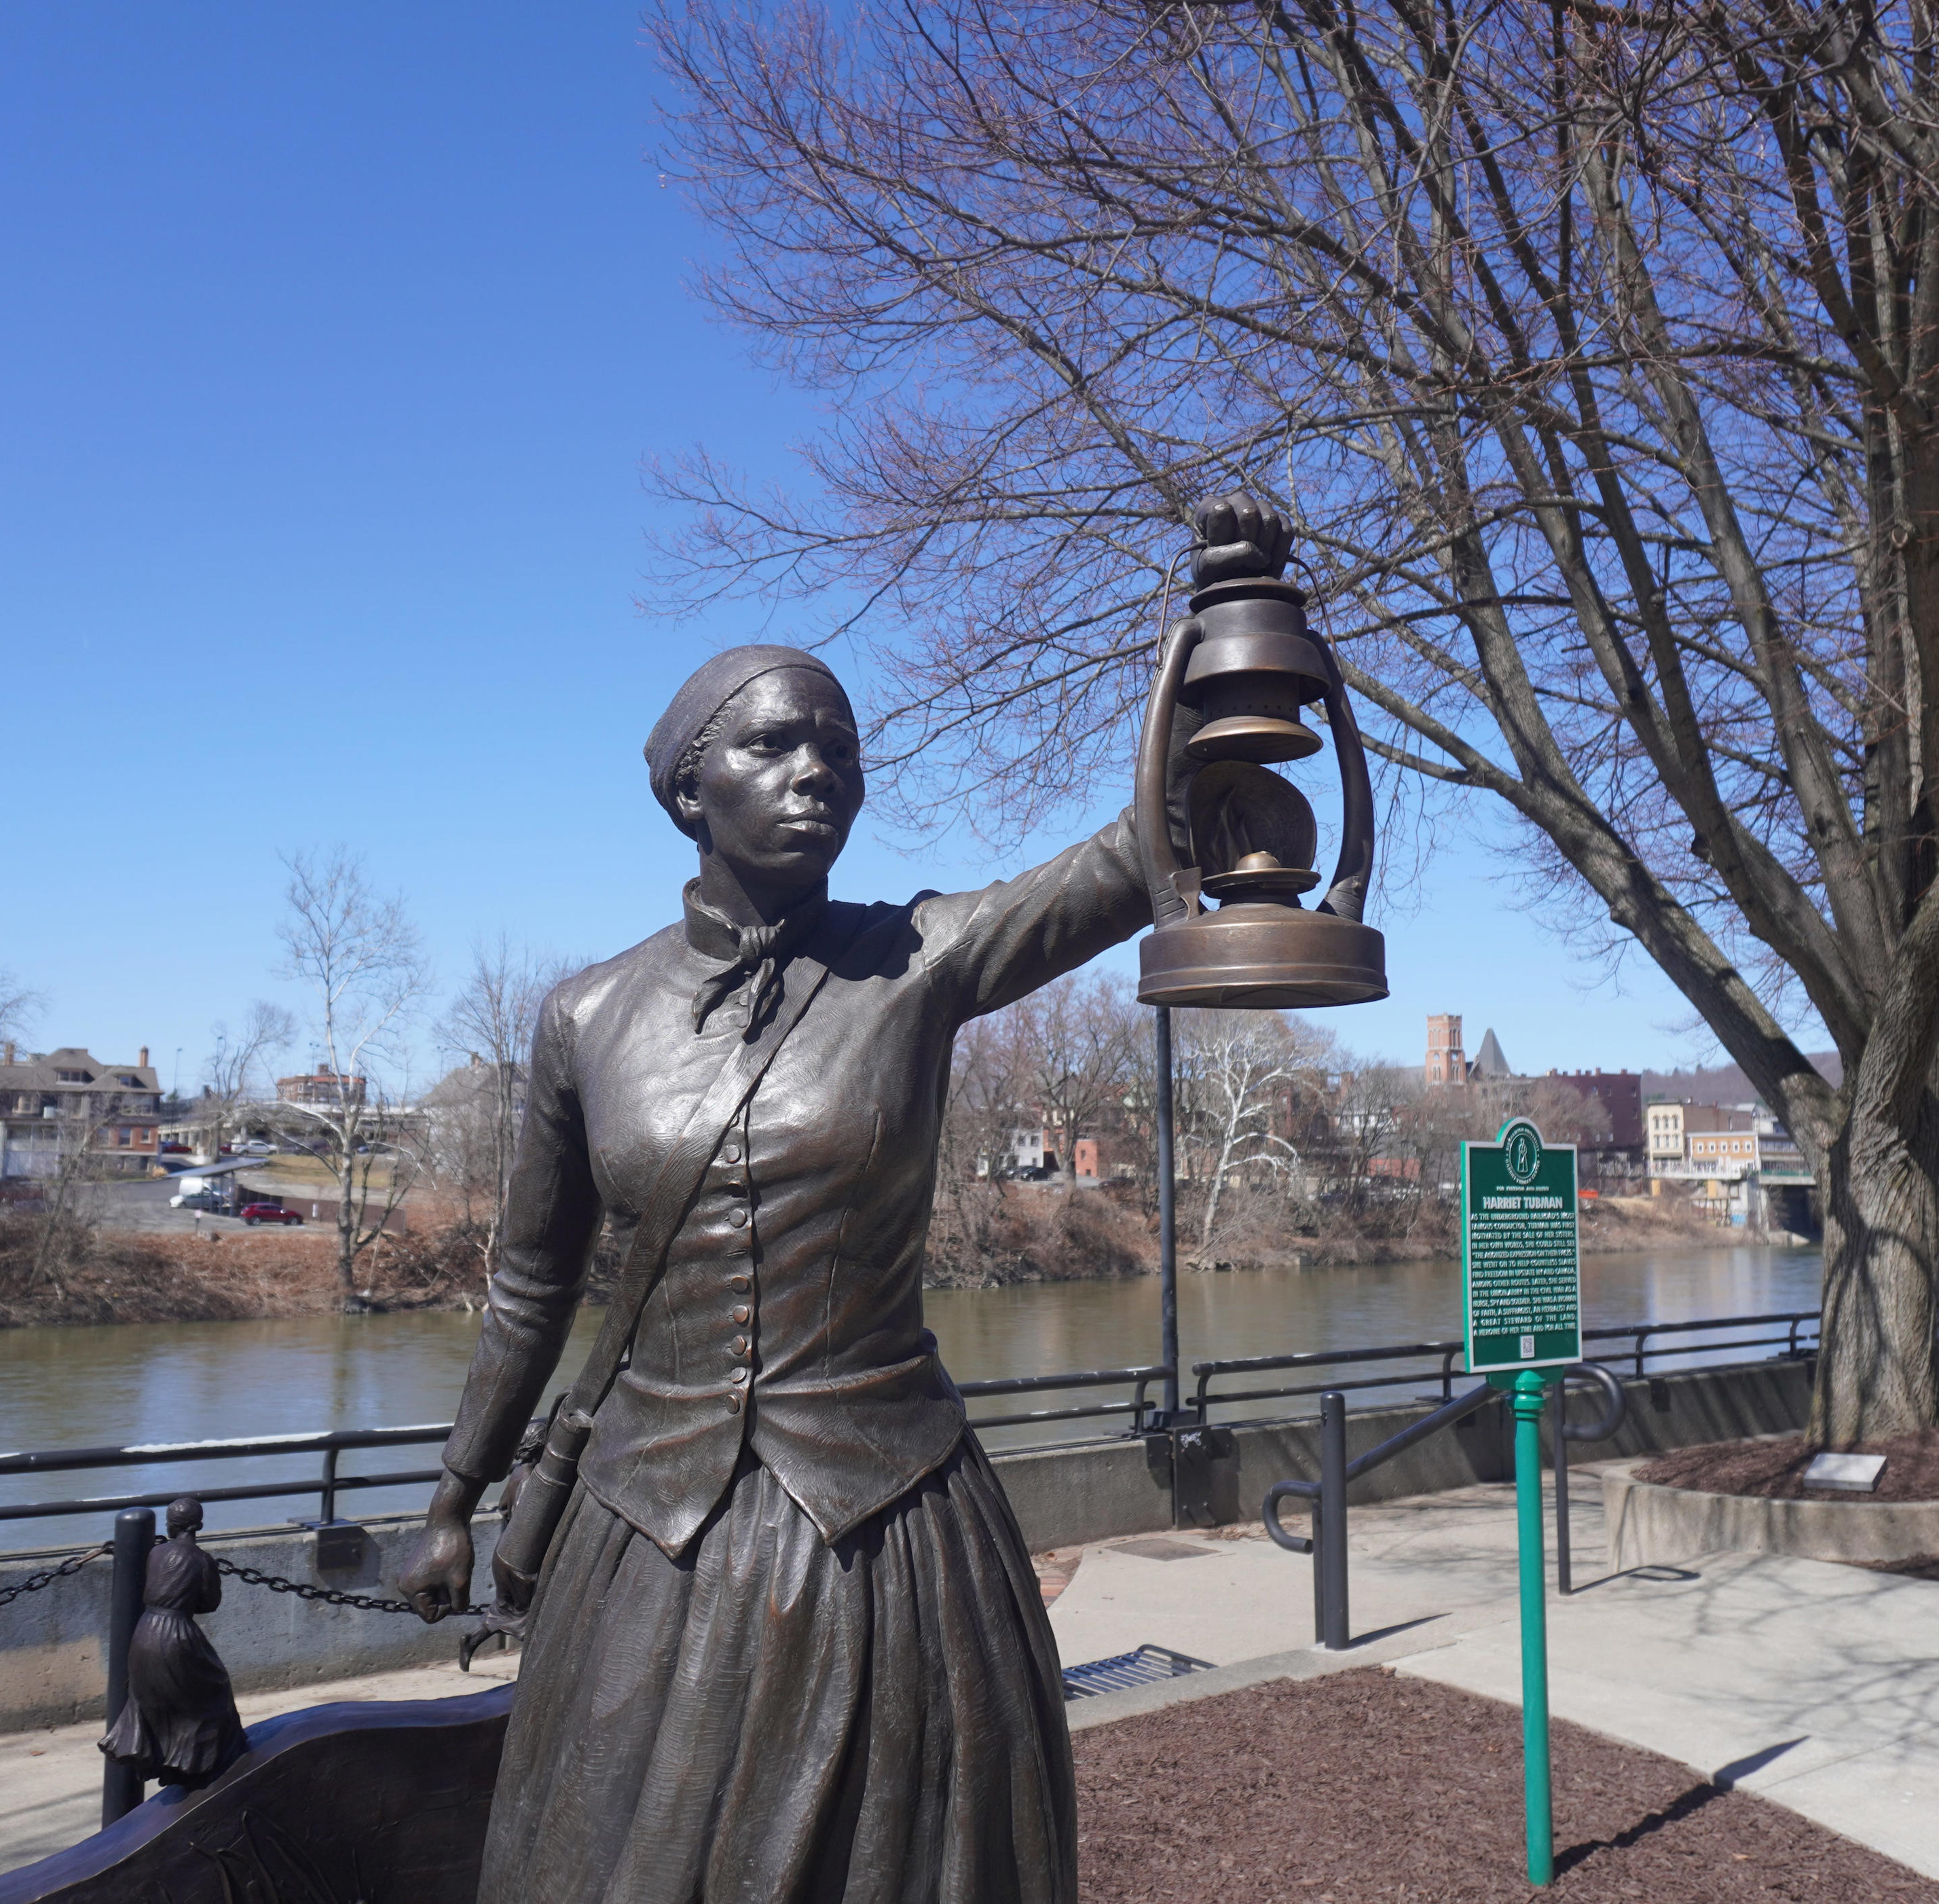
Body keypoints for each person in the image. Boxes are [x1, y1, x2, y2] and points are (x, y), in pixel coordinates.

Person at [394, 644, 1162, 1904]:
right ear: (689, 791)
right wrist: (451, 1495)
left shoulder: (915, 957)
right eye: (773, 744)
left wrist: (1233, 663)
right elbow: (532, 1284)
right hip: (649, 1527)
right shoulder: (584, 1017)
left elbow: (1120, 863)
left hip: (888, 1518)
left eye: (842, 749)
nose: (819, 772)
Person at [99, 1495, 248, 1790]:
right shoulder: (203, 1561)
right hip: (177, 1634)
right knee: (212, 1691)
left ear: (170, 1525)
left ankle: (169, 1762)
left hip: (145, 1632)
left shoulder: (155, 1553)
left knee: (152, 1699)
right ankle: (195, 1766)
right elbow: (209, 1603)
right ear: (199, 1525)